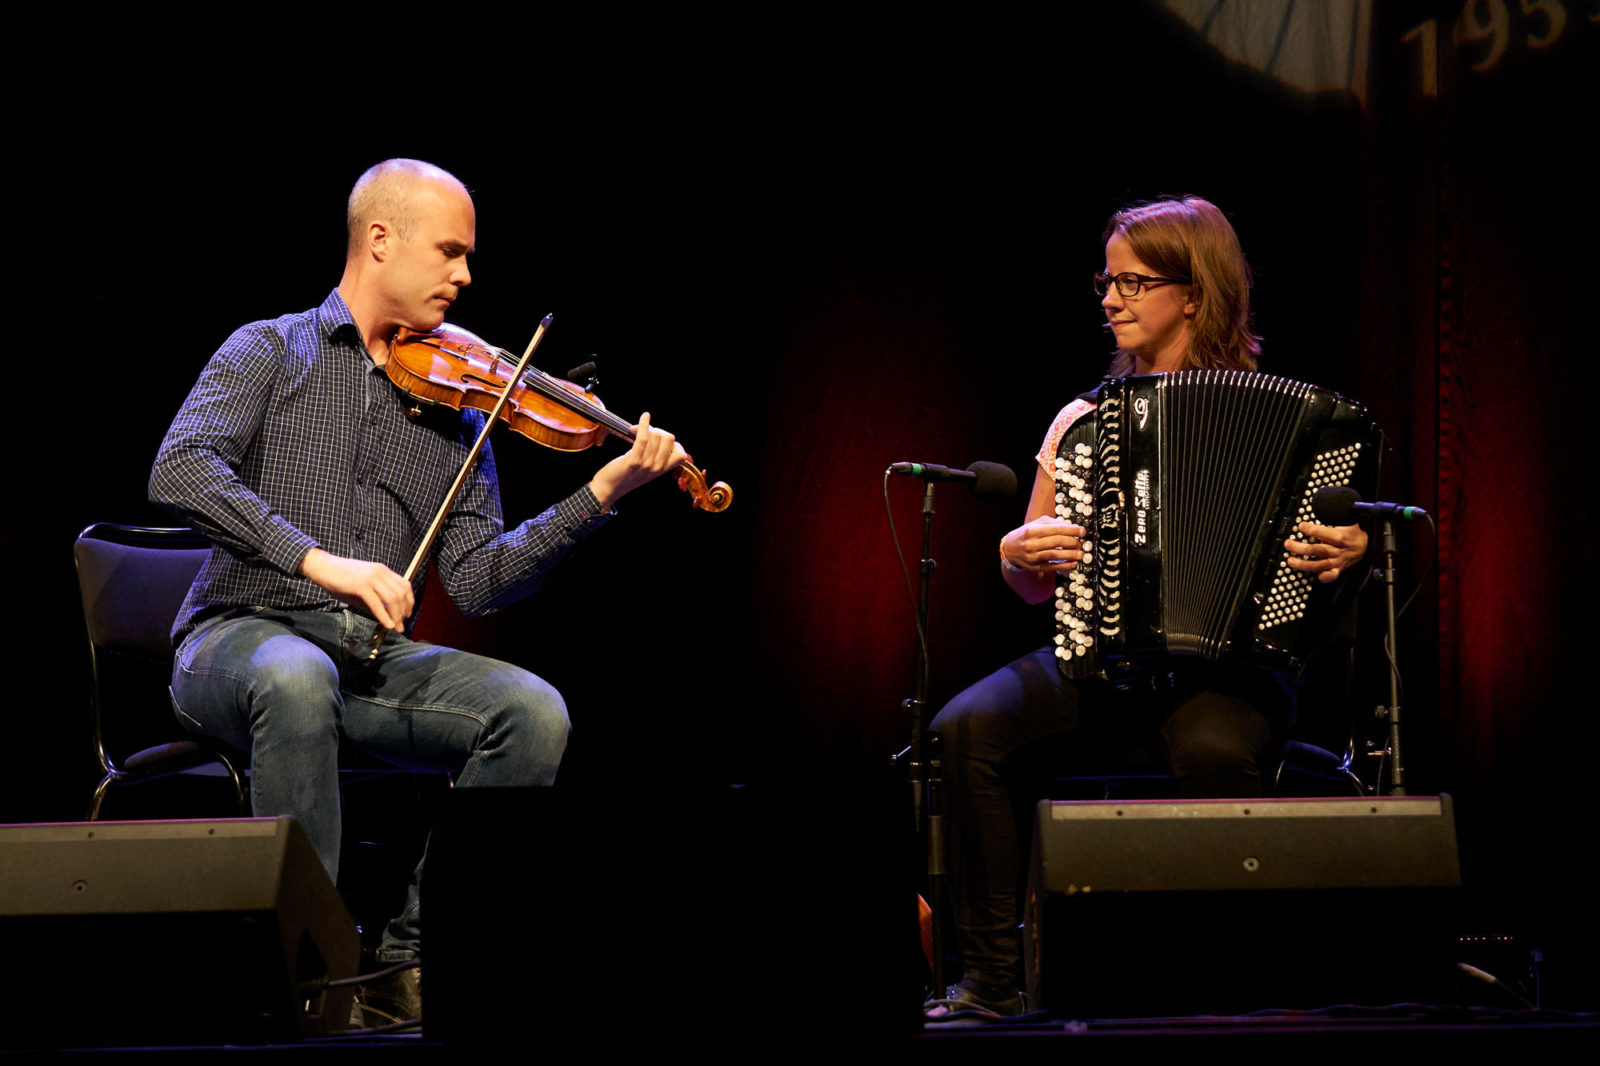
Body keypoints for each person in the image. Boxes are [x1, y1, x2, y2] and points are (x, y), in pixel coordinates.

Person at [149, 159, 688, 1018]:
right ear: (378, 239)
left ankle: (413, 964)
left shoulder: (460, 402)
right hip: (235, 640)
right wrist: (317, 560)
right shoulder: (268, 349)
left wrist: (601, 494)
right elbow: (178, 469)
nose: (466, 276)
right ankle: (309, 978)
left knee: (533, 712)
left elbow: (476, 581)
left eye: (467, 257)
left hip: (363, 661)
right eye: (449, 252)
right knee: (295, 675)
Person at [924, 196, 1369, 1018]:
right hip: (1101, 662)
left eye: (1131, 281)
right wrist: (1012, 554)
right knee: (964, 730)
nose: (1109, 298)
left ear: (1193, 292)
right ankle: (992, 978)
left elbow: (1327, 567)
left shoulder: (1300, 424)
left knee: (1212, 753)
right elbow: (1032, 578)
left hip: (1231, 675)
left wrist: (1351, 552)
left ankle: (1212, 986)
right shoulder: (1082, 420)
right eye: (1107, 280)